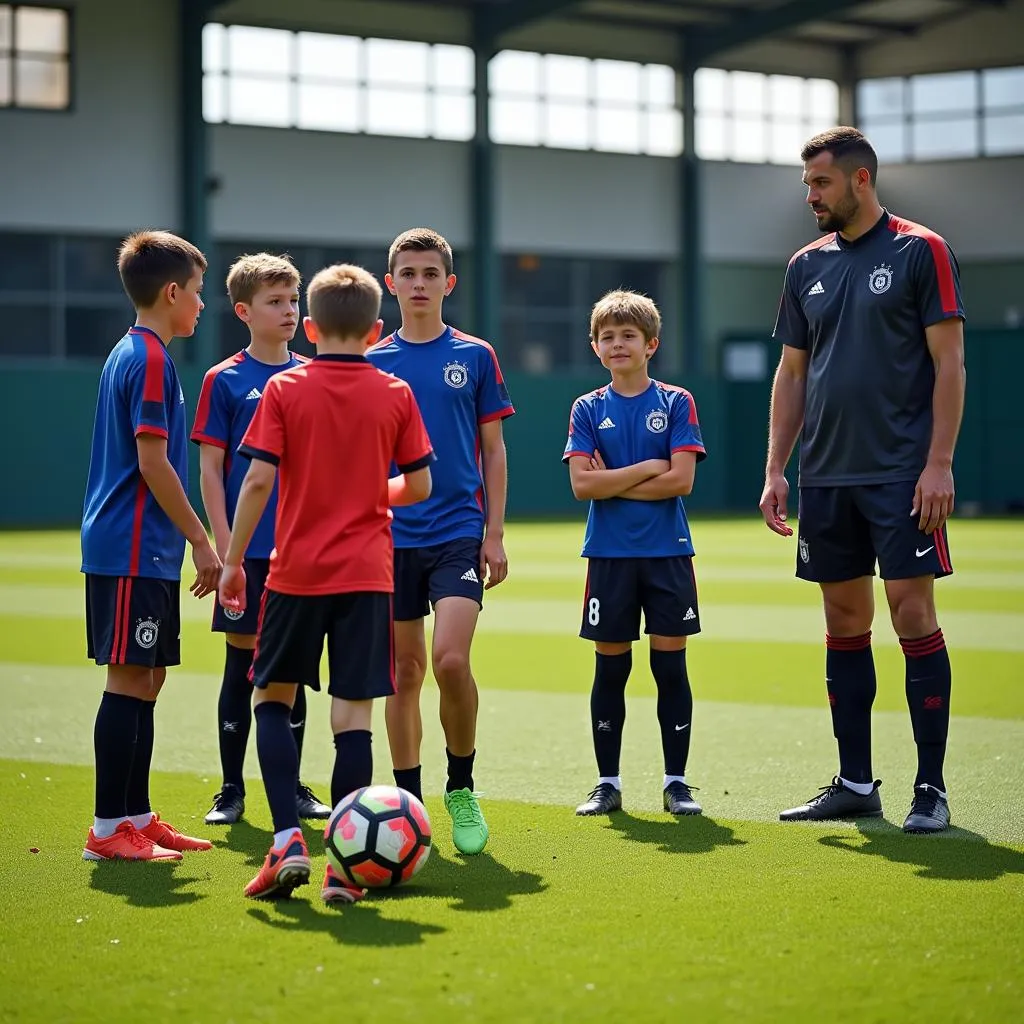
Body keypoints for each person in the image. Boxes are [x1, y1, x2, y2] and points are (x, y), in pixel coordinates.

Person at [760, 126, 966, 834]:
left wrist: (938, 462)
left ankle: (931, 789)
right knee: (845, 623)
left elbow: (950, 364)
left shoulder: (921, 249)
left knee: (913, 616)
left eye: (820, 183)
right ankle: (855, 783)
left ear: (861, 180)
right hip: (824, 478)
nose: (810, 196)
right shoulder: (804, 266)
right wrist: (775, 470)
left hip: (901, 474)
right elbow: (791, 374)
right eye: (807, 185)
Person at [218, 263, 434, 902]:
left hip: (295, 572)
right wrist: (378, 492)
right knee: (352, 717)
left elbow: (256, 481)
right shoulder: (395, 392)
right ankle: (344, 867)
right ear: (375, 329)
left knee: (271, 701)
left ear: (309, 327)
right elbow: (420, 485)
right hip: (369, 574)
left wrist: (232, 560)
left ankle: (286, 838)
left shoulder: (284, 389)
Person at [365, 228, 514, 856]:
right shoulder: (371, 362)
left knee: (451, 660)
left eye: (431, 273)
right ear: (391, 282)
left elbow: (493, 450)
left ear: (448, 283)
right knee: (403, 672)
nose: (419, 283)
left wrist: (495, 533)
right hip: (390, 537)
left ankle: (461, 785)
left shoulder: (476, 355)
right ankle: (407, 805)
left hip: (458, 532)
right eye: (408, 273)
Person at [81, 230, 220, 861]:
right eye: (196, 292)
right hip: (130, 546)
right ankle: (108, 829)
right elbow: (153, 462)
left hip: (143, 550)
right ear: (171, 292)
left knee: (149, 677)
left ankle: (135, 816)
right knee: (128, 678)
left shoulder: (135, 352)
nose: (201, 304)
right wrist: (202, 540)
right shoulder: (151, 359)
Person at [191, 253, 330, 826]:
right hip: (247, 554)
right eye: (276, 302)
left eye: (294, 300)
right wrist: (226, 549)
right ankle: (230, 789)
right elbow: (210, 471)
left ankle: (292, 786)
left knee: (292, 674)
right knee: (240, 665)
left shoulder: (313, 375)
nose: (289, 311)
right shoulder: (222, 380)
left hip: (302, 553)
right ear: (244, 311)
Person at [563, 290, 707, 818]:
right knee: (610, 672)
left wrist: (611, 479)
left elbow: (682, 481)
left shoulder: (675, 401)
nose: (618, 344)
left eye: (629, 336)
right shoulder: (587, 407)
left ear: (652, 345)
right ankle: (607, 783)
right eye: (608, 337)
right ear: (595, 347)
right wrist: (651, 467)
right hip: (609, 555)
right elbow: (582, 487)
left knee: (671, 670)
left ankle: (676, 782)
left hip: (667, 554)